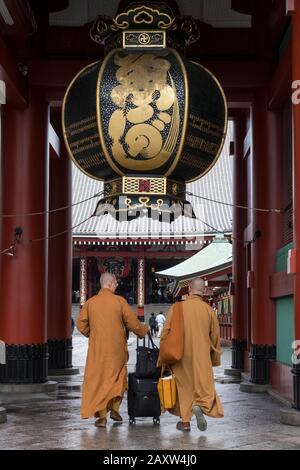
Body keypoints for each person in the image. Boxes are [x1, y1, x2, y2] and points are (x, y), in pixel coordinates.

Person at [76, 272, 148, 428]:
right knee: (118, 377)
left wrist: (93, 334)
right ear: (110, 284)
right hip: (116, 350)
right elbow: (133, 323)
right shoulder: (119, 301)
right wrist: (143, 331)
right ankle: (114, 408)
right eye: (116, 283)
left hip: (97, 350)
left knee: (100, 380)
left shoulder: (90, 303)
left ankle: (102, 417)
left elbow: (81, 325)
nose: (117, 286)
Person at [159, 277, 224, 432]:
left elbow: (165, 333)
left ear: (189, 290)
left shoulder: (177, 308)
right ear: (203, 291)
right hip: (201, 355)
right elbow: (215, 337)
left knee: (184, 387)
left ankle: (185, 421)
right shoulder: (208, 310)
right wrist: (214, 356)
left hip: (180, 354)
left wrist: (164, 353)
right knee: (204, 386)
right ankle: (200, 405)